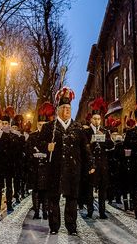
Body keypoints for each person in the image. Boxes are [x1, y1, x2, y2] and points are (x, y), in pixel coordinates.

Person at [40, 87, 95, 235]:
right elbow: (38, 145)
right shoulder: (48, 128)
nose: (66, 110)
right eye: (63, 107)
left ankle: (71, 226)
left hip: (72, 169)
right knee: (53, 199)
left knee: (72, 199)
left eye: (69, 108)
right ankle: (54, 226)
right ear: (58, 109)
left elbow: (85, 148)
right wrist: (47, 147)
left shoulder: (77, 127)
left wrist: (90, 163)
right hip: (55, 169)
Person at [85, 97, 114, 219]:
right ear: (91, 119)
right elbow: (84, 147)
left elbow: (111, 145)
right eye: (95, 119)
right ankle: (90, 210)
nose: (97, 121)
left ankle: (102, 211)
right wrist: (91, 140)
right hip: (91, 164)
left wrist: (105, 138)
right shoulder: (86, 132)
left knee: (102, 189)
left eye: (99, 119)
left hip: (102, 164)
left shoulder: (104, 131)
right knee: (90, 188)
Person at [27, 102, 55, 220]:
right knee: (36, 191)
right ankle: (37, 211)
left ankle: (45, 212)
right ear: (37, 125)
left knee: (46, 191)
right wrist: (33, 155)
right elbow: (28, 150)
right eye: (39, 124)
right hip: (35, 167)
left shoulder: (51, 137)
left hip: (47, 167)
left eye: (44, 124)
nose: (41, 127)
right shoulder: (32, 136)